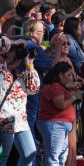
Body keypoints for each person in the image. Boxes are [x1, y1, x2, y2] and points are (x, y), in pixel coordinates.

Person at [0, 36, 40, 166]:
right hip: (3, 120)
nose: (16, 55)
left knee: (30, 154)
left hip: (20, 120)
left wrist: (29, 64)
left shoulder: (20, 75)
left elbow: (34, 89)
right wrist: (13, 43)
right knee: (3, 157)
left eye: (19, 52)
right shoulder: (1, 70)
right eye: (13, 51)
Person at [37, 62, 82, 166]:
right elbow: (61, 105)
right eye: (69, 75)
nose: (71, 78)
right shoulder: (54, 86)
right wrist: (75, 97)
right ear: (60, 75)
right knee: (54, 158)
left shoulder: (58, 86)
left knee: (61, 157)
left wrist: (70, 87)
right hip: (55, 125)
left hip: (59, 125)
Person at [22, 19, 53, 153]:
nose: (43, 34)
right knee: (31, 124)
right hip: (32, 93)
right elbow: (49, 65)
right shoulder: (33, 47)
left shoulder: (24, 44)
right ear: (34, 34)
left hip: (25, 92)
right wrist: (56, 51)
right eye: (42, 32)